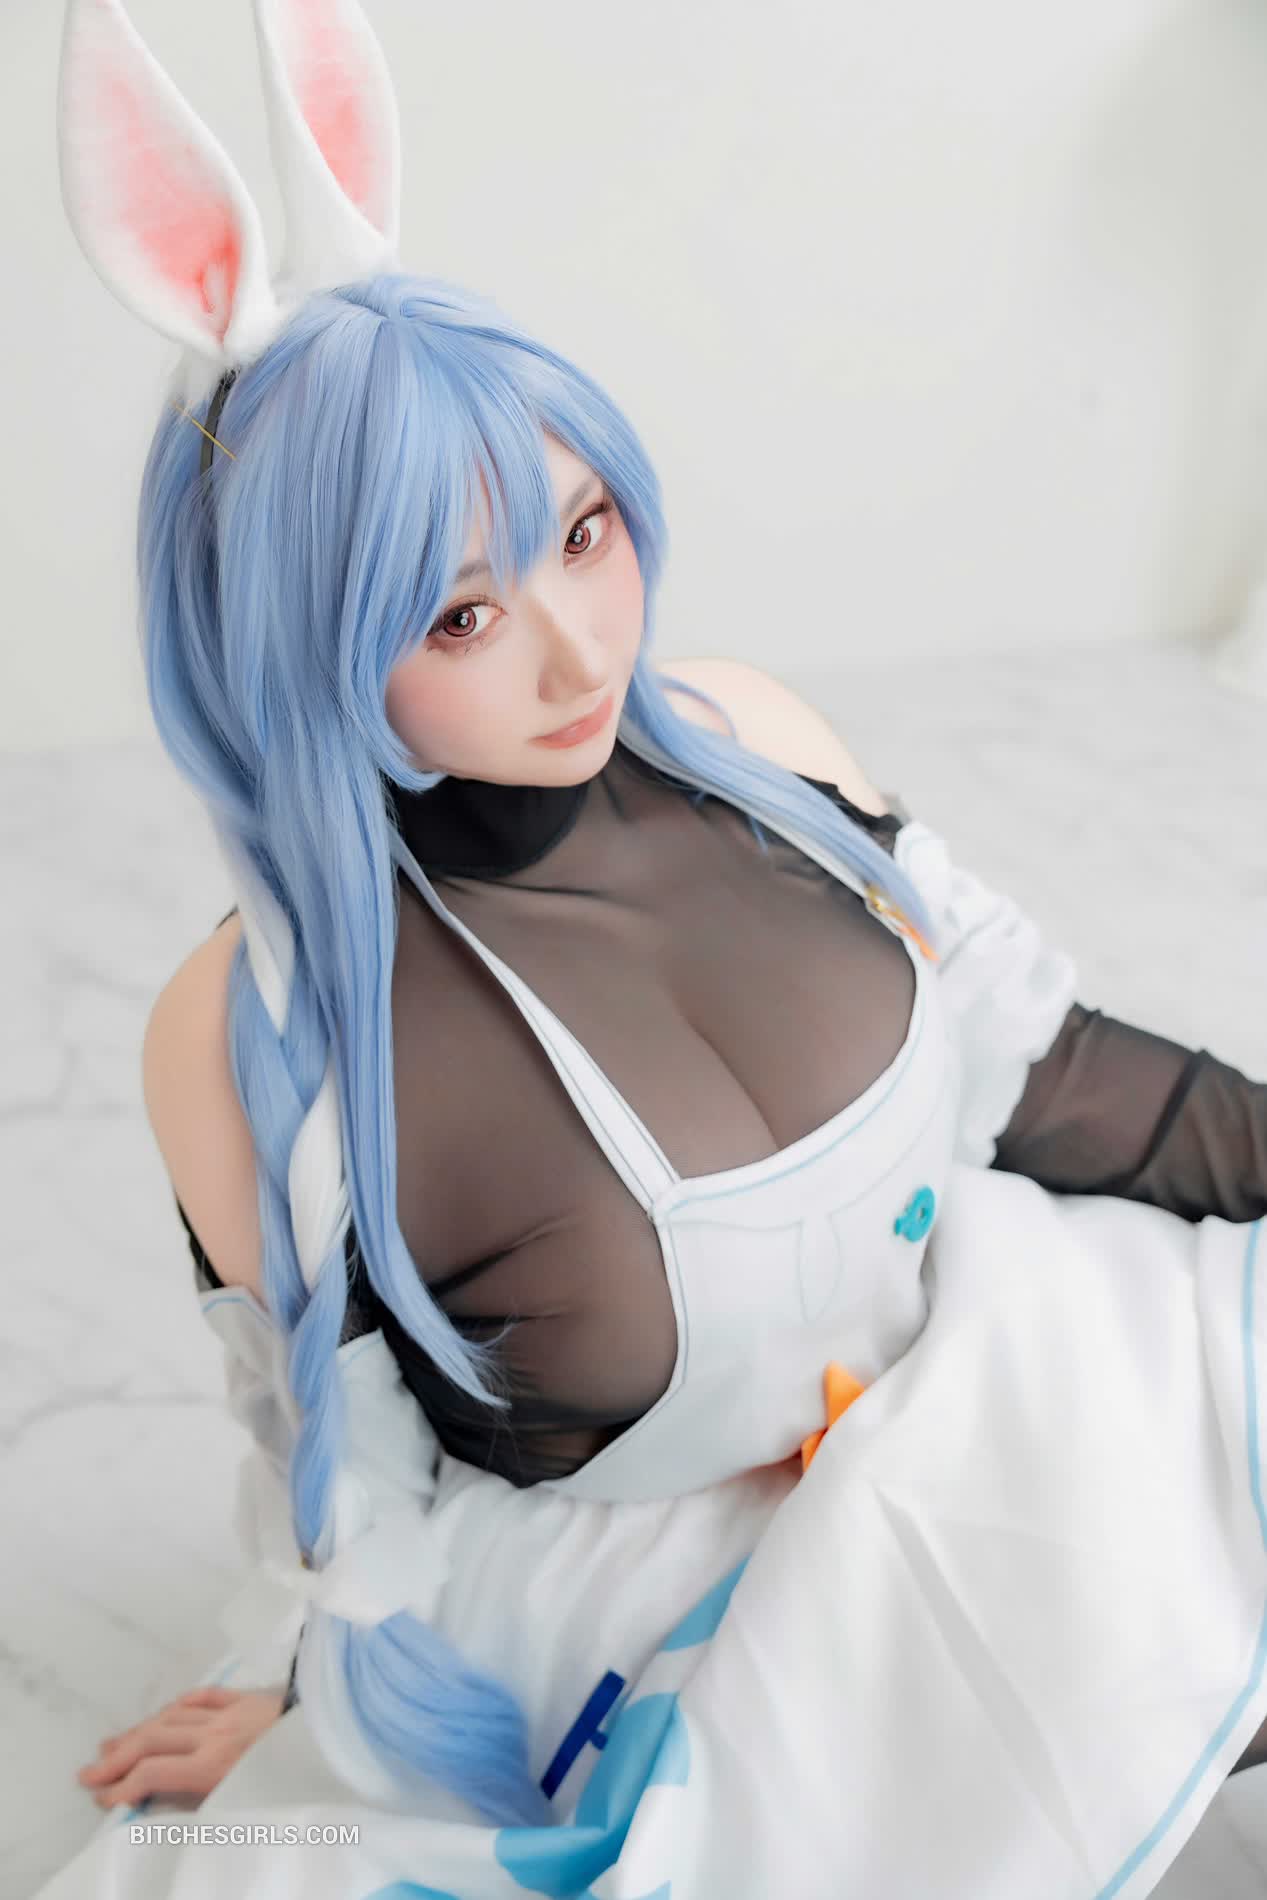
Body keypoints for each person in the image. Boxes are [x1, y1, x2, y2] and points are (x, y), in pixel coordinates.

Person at [41, 0, 1267, 1894]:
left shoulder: (748, 740)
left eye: (585, 529)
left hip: (989, 1372)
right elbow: (328, 1438)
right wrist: (291, 1669)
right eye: (458, 616)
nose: (578, 647)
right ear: (299, 654)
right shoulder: (253, 1027)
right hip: (668, 1594)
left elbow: (1043, 1073)